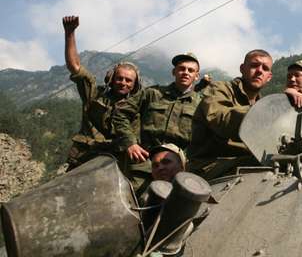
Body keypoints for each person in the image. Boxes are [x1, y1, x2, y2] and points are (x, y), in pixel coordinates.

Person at [113, 52, 202, 192]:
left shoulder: (201, 104)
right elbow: (120, 113)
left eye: (190, 70)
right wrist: (130, 143)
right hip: (144, 163)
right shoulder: (153, 93)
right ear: (174, 72)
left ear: (197, 76)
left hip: (179, 169)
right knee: (135, 203)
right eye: (181, 68)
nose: (185, 73)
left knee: (174, 207)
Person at [62, 16, 142, 170]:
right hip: (82, 162)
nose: (123, 83)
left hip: (114, 168)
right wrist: (69, 33)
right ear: (111, 78)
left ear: (135, 85)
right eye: (119, 78)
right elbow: (74, 66)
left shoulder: (139, 106)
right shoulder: (94, 94)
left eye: (128, 80)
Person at [188, 49, 273, 180]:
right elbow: (219, 119)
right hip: (210, 167)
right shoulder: (219, 89)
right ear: (242, 68)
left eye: (265, 68)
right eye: (254, 65)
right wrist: (264, 112)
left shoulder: (263, 105)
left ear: (269, 77)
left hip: (247, 165)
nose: (259, 71)